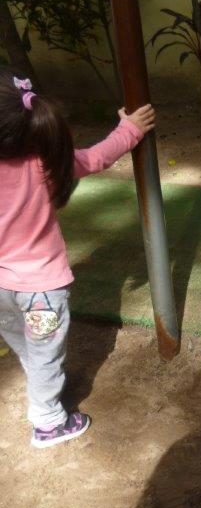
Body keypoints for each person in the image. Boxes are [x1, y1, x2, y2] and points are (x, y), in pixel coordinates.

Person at [0, 71, 155, 447]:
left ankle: (40, 380)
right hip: (40, 290)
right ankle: (48, 422)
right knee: (45, 352)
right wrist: (130, 129)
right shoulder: (48, 162)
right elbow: (98, 157)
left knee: (25, 342)